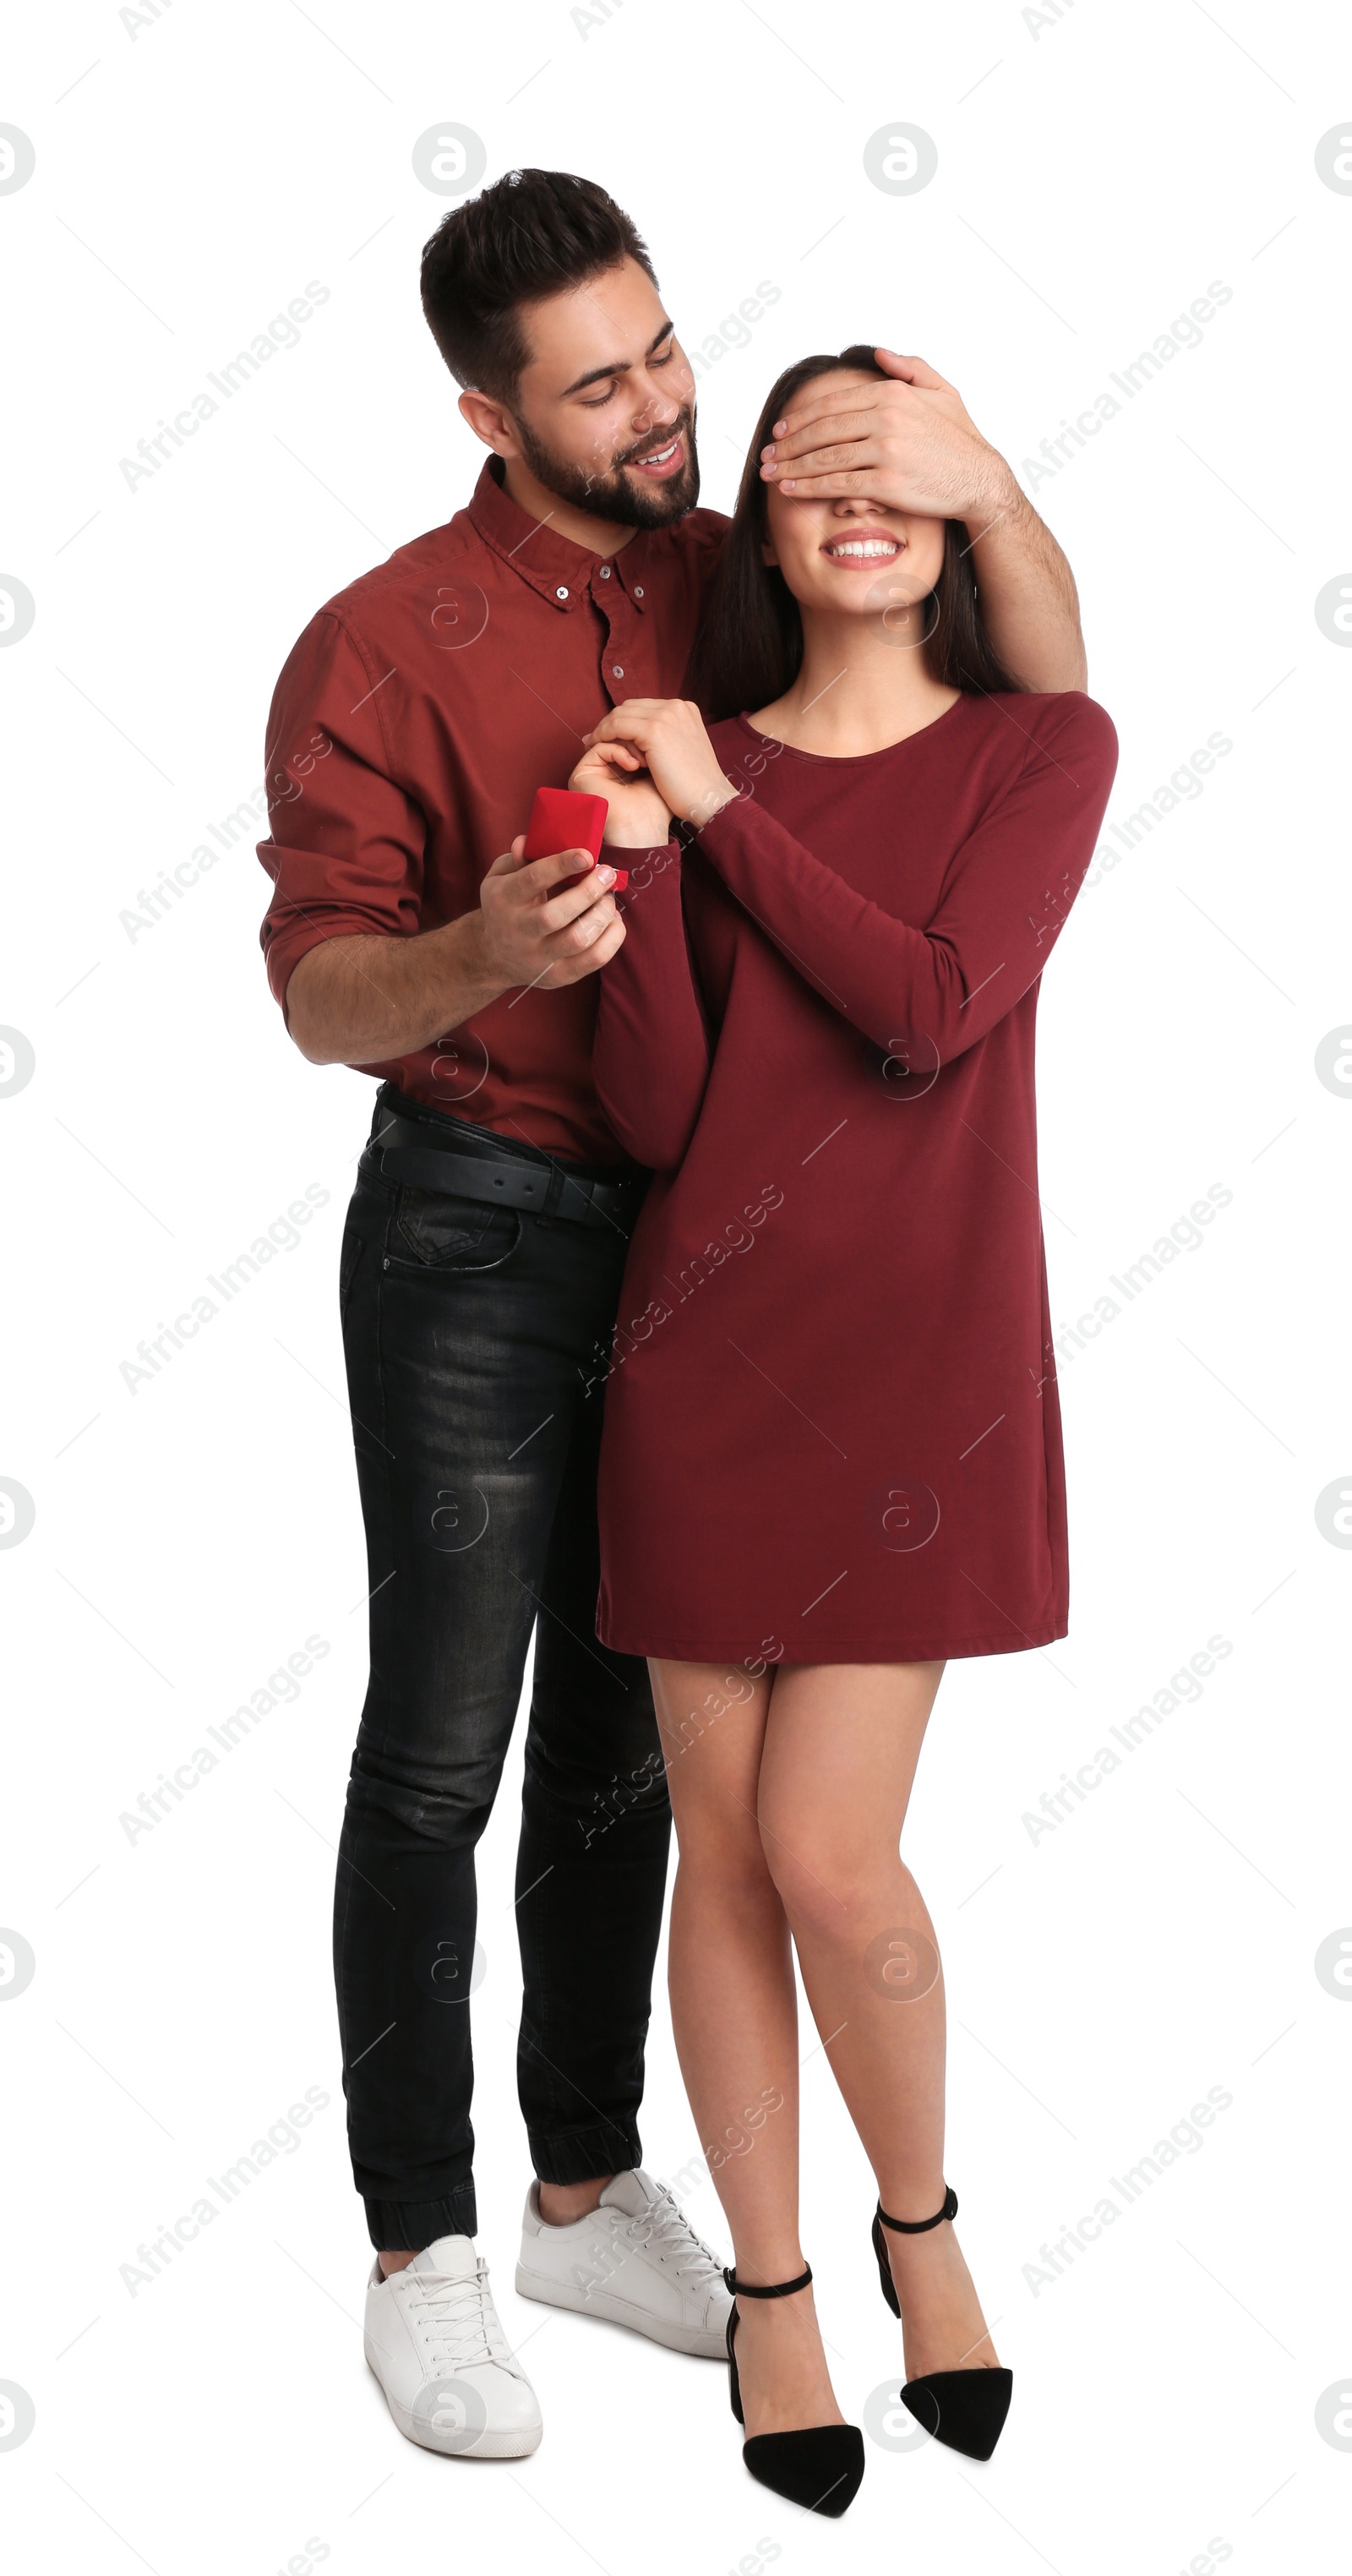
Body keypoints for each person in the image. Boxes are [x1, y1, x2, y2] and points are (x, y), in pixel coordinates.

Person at [256, 166, 1090, 2464]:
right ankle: (424, 2242)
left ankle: (582, 2182)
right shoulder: (382, 636)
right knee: (446, 1740)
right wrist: (502, 953)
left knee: (645, 1773)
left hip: (726, 1258)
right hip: (482, 1222)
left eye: (662, 352)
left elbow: (1010, 675)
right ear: (483, 406)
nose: (658, 406)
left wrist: (982, 477)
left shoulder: (741, 562)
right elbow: (327, 988)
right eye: (599, 381)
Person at [567, 344, 1117, 2513]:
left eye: (883, 470)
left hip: (914, 1381)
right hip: (700, 1367)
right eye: (803, 478)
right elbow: (667, 1114)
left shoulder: (1034, 749)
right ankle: (772, 2293)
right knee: (724, 1854)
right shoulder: (700, 763)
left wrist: (714, 813)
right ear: (765, 536)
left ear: (952, 508)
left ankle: (924, 2232)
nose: (847, 507)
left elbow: (925, 1011)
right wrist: (621, 882)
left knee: (827, 1852)